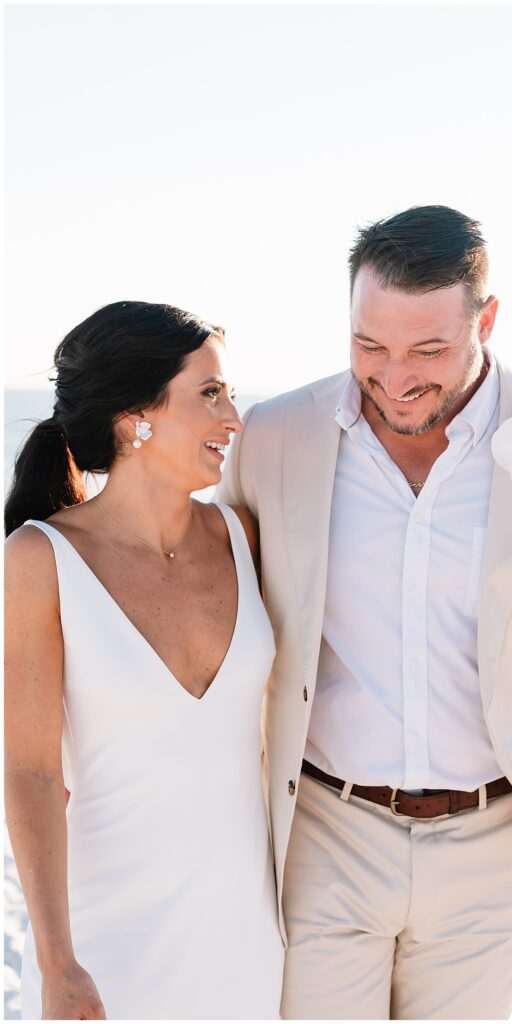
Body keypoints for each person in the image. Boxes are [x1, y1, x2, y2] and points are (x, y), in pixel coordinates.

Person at [216, 205, 512, 1019]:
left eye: (428, 349)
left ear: (486, 319)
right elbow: (220, 612)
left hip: (502, 846)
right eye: (369, 346)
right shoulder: (275, 435)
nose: (394, 378)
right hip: (324, 831)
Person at [5, 301, 284, 1020]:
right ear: (137, 418)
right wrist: (57, 962)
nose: (234, 419)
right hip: (110, 945)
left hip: (246, 936)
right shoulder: (40, 560)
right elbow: (31, 773)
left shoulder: (240, 535)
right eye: (210, 394)